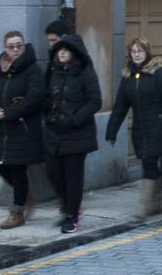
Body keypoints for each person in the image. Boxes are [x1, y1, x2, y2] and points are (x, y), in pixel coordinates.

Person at [106, 37, 162, 219]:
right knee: (147, 161)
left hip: (158, 124)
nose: (136, 54)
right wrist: (111, 130)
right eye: (133, 51)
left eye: (140, 51)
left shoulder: (158, 73)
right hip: (140, 127)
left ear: (147, 53)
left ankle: (144, 204)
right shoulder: (128, 76)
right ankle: (157, 202)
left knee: (150, 161)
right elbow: (120, 105)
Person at [43, 35, 102, 233]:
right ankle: (69, 207)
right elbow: (46, 96)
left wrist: (75, 119)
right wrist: (47, 115)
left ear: (75, 53)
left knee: (73, 176)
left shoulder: (85, 72)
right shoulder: (53, 71)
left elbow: (95, 101)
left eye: (66, 50)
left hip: (77, 133)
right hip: (54, 132)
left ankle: (71, 215)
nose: (62, 53)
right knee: (53, 172)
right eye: (59, 49)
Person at [0, 31, 45, 229]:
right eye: (11, 46)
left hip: (23, 129)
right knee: (1, 167)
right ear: (5, 49)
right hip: (3, 131)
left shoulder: (32, 70)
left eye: (18, 45)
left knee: (17, 169)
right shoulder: (2, 71)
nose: (15, 50)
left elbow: (35, 98)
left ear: (24, 46)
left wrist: (10, 112)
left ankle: (17, 212)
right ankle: (27, 197)